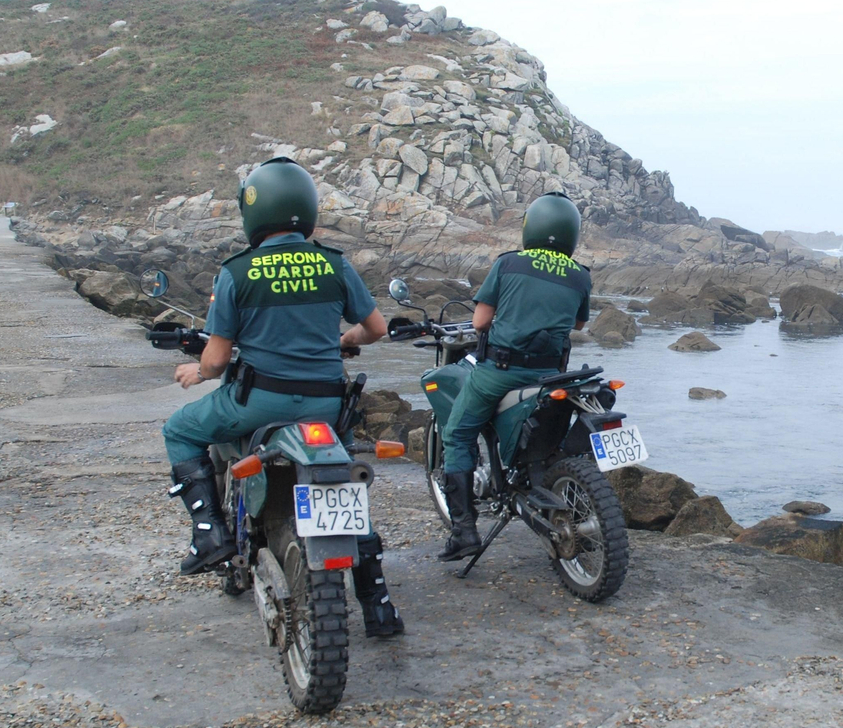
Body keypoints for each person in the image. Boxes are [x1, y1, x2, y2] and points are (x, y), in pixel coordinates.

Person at [160, 156, 405, 637]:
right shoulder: (333, 263)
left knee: (179, 430)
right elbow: (375, 329)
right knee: (342, 489)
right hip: (327, 407)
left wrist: (197, 370)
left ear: (254, 212)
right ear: (306, 209)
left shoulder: (236, 272)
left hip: (260, 403)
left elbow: (215, 360)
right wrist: (341, 341)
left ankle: (209, 535)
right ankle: (377, 606)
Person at [440, 192, 591, 561]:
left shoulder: (509, 264)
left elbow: (479, 322)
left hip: (502, 373)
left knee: (457, 435)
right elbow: (579, 323)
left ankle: (463, 531)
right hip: (551, 376)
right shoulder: (580, 275)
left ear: (531, 226)